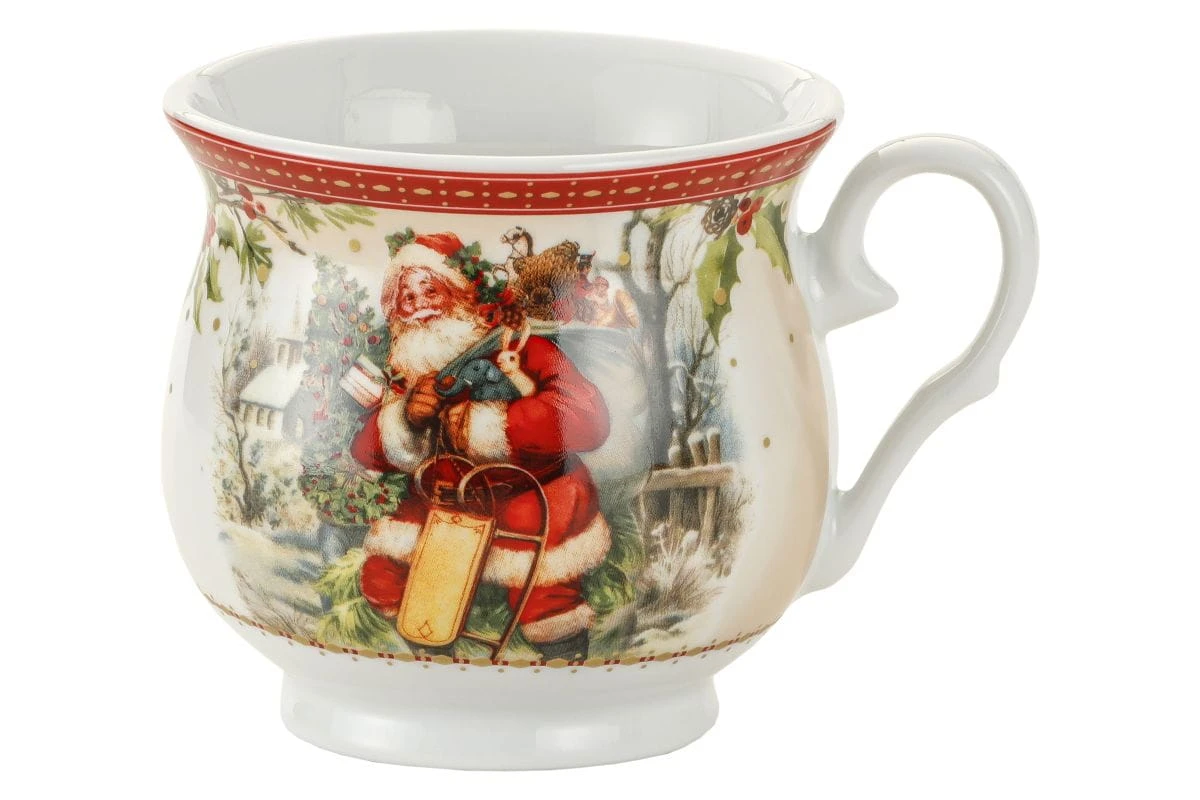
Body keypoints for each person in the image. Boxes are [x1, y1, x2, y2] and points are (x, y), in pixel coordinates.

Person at [350, 231, 612, 660]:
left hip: (529, 493)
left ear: (458, 295)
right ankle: (424, 651)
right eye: (407, 298)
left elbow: (588, 420)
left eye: (429, 291)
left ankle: (564, 658)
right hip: (446, 499)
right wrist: (408, 419)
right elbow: (367, 450)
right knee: (385, 575)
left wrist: (487, 424)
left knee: (547, 597)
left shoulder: (520, 348)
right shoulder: (405, 371)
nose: (420, 307)